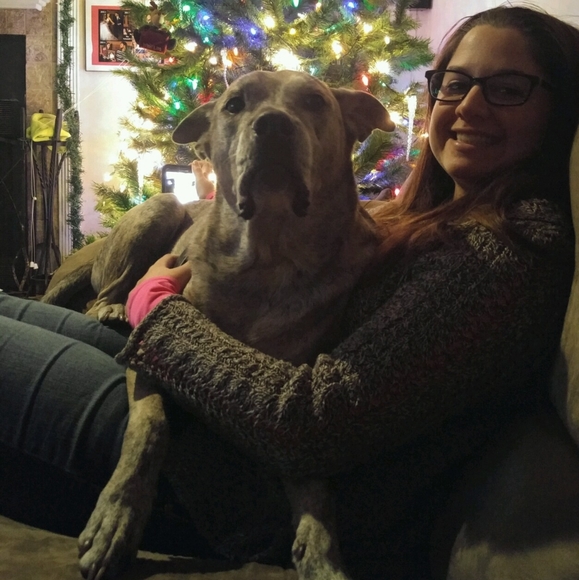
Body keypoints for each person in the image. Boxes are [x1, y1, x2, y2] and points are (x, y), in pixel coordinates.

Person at [1, 5, 579, 579]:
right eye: (454, 84)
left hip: (234, 484)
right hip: (210, 411)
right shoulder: (428, 217)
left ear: (562, 109)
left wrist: (156, 307)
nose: (470, 106)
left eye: (508, 89)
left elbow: (309, 425)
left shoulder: (500, 257)